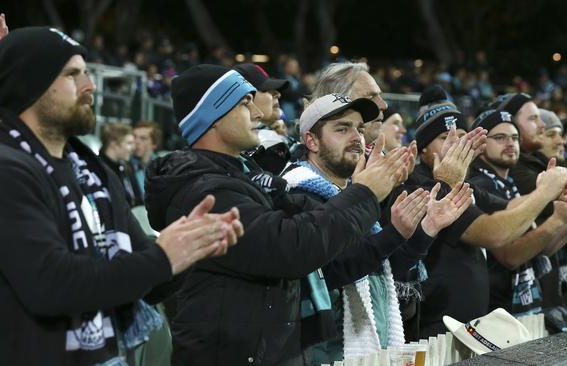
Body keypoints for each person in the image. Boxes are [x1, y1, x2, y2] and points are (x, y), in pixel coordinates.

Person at [0, 27, 242, 366]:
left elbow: (146, 283)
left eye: (85, 73)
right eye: (72, 75)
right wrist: (162, 257)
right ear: (30, 86)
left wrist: (188, 248)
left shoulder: (92, 172)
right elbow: (51, 285)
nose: (90, 86)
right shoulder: (4, 169)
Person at [145, 64, 410, 365]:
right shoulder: (204, 191)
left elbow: (324, 269)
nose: (259, 113)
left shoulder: (246, 178)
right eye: (245, 104)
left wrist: (400, 232)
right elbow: (290, 248)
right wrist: (364, 195)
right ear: (213, 118)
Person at [281, 93, 473, 362]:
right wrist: (391, 231)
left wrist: (427, 228)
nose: (356, 137)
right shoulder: (295, 193)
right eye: (342, 128)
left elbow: (383, 269)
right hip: (324, 353)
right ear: (311, 140)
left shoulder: (352, 193)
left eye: (359, 129)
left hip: (363, 348)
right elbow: (338, 268)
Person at [408, 101, 567, 338]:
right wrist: (545, 195)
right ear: (423, 149)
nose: (457, 143)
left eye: (462, 136)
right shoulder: (424, 187)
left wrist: (546, 189)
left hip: (467, 324)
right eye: (446, 137)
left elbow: (507, 207)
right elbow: (495, 232)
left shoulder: (462, 184)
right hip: (436, 328)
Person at [468, 109, 567, 315]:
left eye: (515, 138)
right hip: (499, 312)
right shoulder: (480, 186)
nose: (510, 143)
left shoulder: (507, 185)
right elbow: (511, 256)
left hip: (521, 305)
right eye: (500, 138)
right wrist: (556, 217)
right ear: (481, 145)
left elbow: (541, 250)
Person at [311, 62, 388, 153]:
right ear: (336, 104)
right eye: (370, 97)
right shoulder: (304, 165)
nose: (384, 105)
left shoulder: (382, 158)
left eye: (379, 96)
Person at [100, 122, 144, 207]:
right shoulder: (98, 169)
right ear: (114, 143)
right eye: (129, 143)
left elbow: (138, 201)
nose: (133, 148)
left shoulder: (126, 167)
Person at [131, 120, 163, 194]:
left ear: (154, 144)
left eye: (143, 138)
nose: (136, 141)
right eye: (134, 137)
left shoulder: (162, 166)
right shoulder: (125, 165)